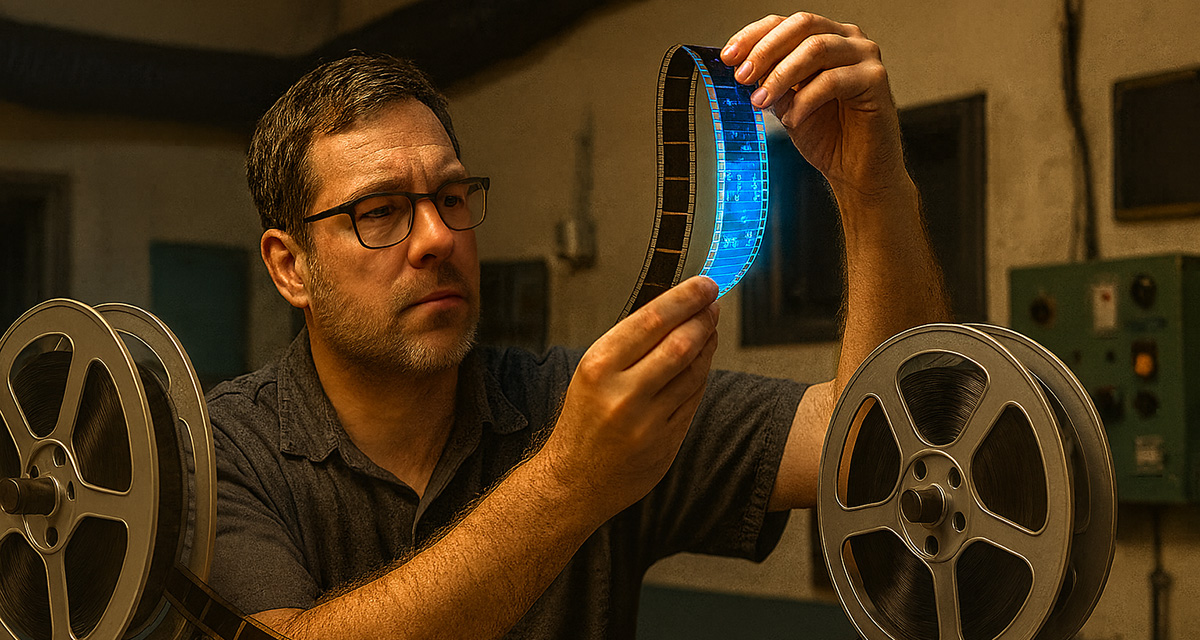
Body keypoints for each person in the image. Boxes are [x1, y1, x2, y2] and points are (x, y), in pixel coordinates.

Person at [206, 11, 949, 640]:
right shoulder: (219, 448)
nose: (438, 237)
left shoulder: (576, 401)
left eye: (453, 196)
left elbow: (880, 440)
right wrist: (574, 479)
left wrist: (874, 190)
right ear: (290, 267)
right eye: (379, 211)